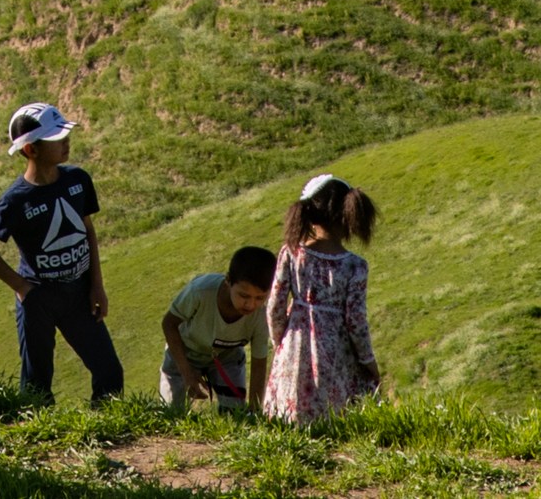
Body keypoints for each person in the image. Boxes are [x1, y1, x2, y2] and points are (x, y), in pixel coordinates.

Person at [0, 100, 120, 405]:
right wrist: (22, 288)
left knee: (110, 373)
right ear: (31, 150)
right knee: (37, 388)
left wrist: (97, 285)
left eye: (65, 134)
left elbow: (88, 230)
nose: (65, 142)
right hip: (38, 300)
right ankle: (41, 433)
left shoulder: (78, 180)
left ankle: (103, 427)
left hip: (79, 294)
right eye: (55, 138)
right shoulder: (15, 200)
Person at [260, 175, 381, 425]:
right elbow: (356, 321)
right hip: (337, 354)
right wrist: (367, 361)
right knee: (334, 418)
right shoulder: (355, 265)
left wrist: (281, 342)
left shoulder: (292, 253)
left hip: (295, 346)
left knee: (289, 416)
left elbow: (275, 306)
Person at [158, 246, 275, 414]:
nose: (251, 305)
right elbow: (169, 324)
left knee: (235, 414)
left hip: (227, 357)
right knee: (170, 413)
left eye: (260, 298)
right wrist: (187, 372)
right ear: (228, 281)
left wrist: (254, 411)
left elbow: (259, 364)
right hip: (184, 352)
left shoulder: (263, 313)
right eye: (244, 296)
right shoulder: (200, 291)